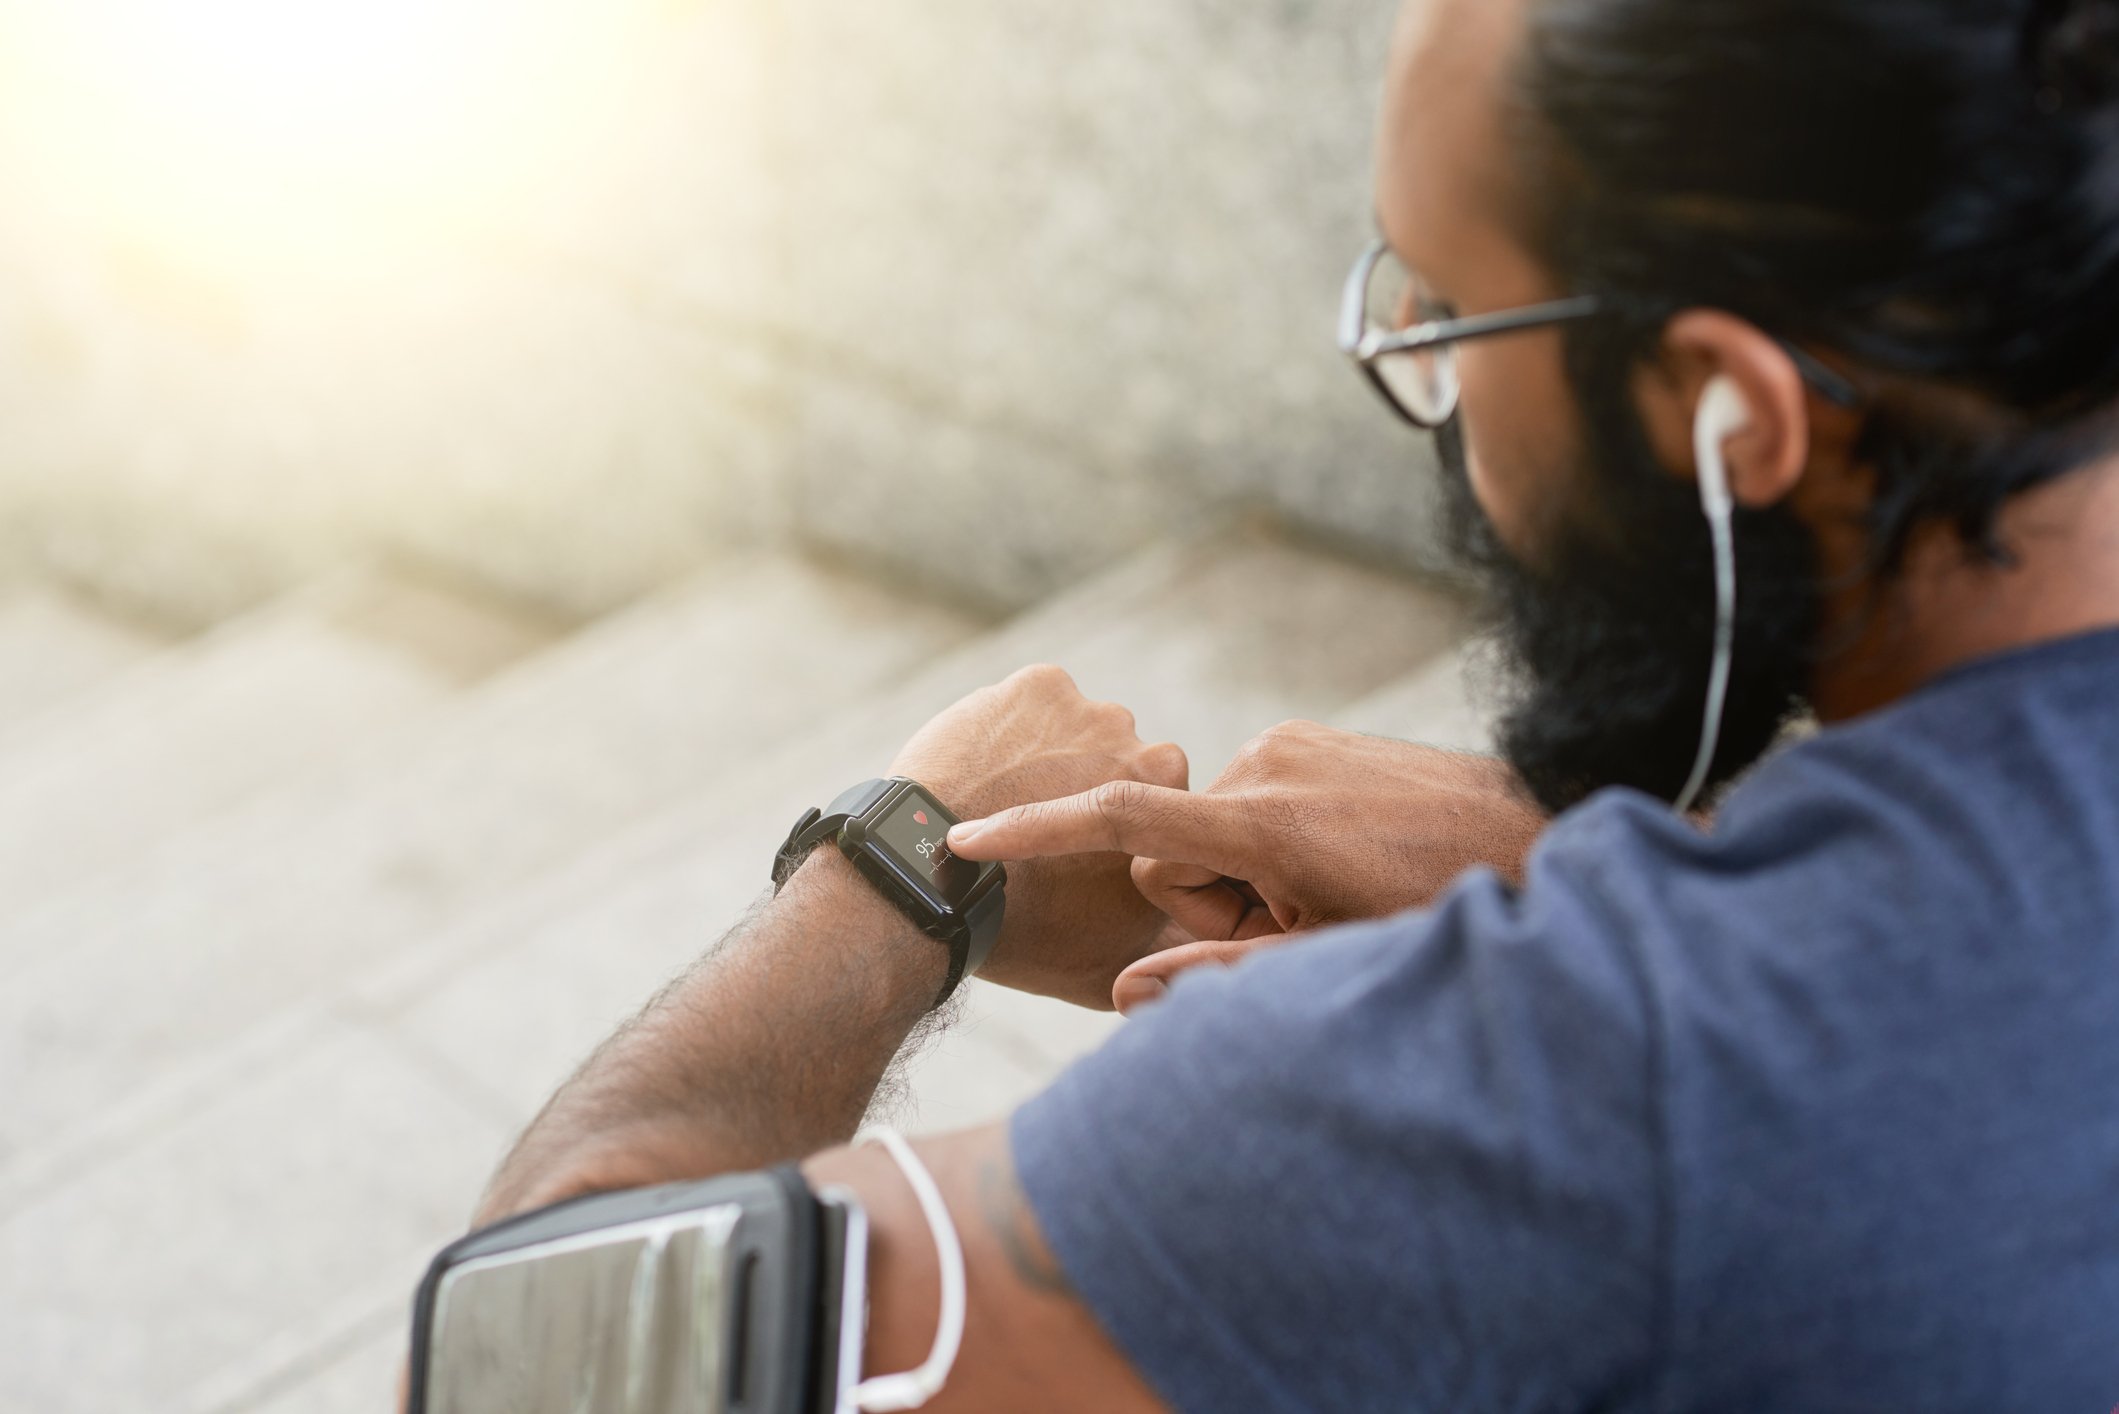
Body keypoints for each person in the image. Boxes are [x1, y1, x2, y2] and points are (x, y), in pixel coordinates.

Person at [458, 0, 2119, 1407]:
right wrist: (1628, 860)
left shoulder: (1561, 1092)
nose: (1441, 396)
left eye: (1453, 319)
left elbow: (518, 1348)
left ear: (1722, 411)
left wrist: (904, 858)